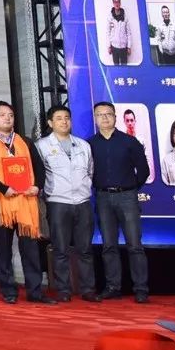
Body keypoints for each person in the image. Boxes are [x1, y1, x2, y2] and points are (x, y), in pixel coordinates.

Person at [0, 100, 52, 305]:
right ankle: (8, 290)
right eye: (2, 115)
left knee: (31, 249)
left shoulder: (25, 142)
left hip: (27, 202)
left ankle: (35, 291)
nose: (7, 118)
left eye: (10, 115)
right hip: (2, 202)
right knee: (3, 248)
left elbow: (39, 168)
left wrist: (37, 186)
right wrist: (3, 188)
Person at [35, 104, 98, 303]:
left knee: (85, 249)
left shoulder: (83, 145)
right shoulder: (42, 146)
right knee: (60, 249)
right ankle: (63, 289)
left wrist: (84, 188)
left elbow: (90, 171)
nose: (64, 122)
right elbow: (39, 174)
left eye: (67, 118)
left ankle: (88, 289)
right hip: (58, 202)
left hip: (82, 202)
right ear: (50, 122)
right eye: (59, 118)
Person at [90, 101, 151, 304]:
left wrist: (130, 188)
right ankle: (113, 287)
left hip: (127, 197)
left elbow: (144, 171)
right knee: (109, 245)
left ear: (115, 117)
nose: (105, 118)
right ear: (95, 119)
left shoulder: (129, 142)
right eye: (100, 114)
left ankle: (141, 289)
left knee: (135, 245)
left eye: (108, 114)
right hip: (103, 198)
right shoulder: (90, 144)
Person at [121, 108, 155, 182]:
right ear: (124, 122)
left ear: (135, 121)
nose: (130, 123)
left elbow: (147, 162)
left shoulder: (141, 141)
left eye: (131, 120)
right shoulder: (121, 142)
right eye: (127, 121)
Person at [107, 0, 132, 65]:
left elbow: (129, 33)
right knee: (116, 68)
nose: (116, 4)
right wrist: (109, 46)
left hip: (123, 47)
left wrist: (129, 47)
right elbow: (108, 32)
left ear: (120, 3)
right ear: (113, 3)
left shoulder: (125, 17)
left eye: (118, 2)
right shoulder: (110, 18)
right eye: (115, 2)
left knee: (124, 67)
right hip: (114, 47)